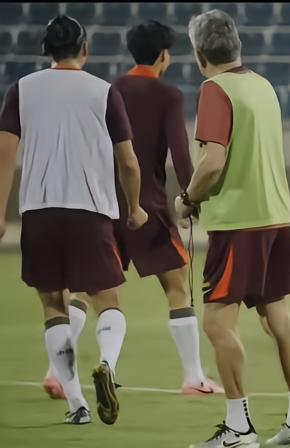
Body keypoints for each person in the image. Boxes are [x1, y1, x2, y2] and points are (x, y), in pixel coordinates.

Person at [41, 19, 223, 399]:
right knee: (178, 285)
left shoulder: (109, 89)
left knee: (86, 289)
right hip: (149, 206)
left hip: (103, 205)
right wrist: (192, 199)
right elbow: (180, 153)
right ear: (163, 56)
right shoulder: (168, 95)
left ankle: (57, 372)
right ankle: (194, 377)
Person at [174, 10, 290, 447]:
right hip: (277, 217)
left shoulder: (215, 89)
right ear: (237, 46)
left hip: (240, 223)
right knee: (279, 320)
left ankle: (239, 428)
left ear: (200, 55)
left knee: (217, 325)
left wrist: (187, 199)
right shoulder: (262, 85)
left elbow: (212, 162)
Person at [0, 15, 147, 424]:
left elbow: (4, 155)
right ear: (85, 48)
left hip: (40, 211)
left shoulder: (21, 90)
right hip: (91, 211)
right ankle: (108, 363)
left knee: (53, 305)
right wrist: (135, 207)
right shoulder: (103, 91)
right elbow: (128, 162)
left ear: (45, 50)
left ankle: (77, 404)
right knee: (107, 299)